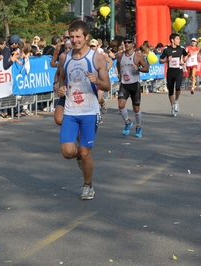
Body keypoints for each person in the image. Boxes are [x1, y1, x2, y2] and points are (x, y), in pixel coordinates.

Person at [56, 20, 111, 200]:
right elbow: (60, 79)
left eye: (78, 37)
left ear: (87, 37)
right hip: (71, 111)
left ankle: (88, 186)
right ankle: (80, 158)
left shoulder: (97, 58)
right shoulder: (65, 57)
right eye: (71, 37)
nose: (74, 40)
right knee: (67, 152)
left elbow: (108, 86)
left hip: (89, 111)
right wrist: (60, 88)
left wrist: (97, 81)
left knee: (86, 152)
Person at [116, 34, 149, 137]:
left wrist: (138, 69)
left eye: (128, 42)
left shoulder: (138, 55)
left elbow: (146, 68)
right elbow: (118, 63)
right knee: (121, 105)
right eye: (125, 42)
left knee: (136, 108)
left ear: (133, 44)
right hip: (124, 84)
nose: (126, 44)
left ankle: (138, 127)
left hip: (135, 84)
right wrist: (119, 73)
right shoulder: (120, 55)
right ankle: (127, 122)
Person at [159, 33, 188, 117]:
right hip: (170, 71)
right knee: (171, 90)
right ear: (172, 40)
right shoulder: (166, 49)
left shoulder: (181, 49)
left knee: (178, 87)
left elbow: (186, 56)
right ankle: (172, 106)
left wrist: (184, 61)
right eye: (177, 39)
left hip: (179, 71)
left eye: (179, 39)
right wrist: (167, 60)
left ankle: (176, 101)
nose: (179, 40)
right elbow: (160, 60)